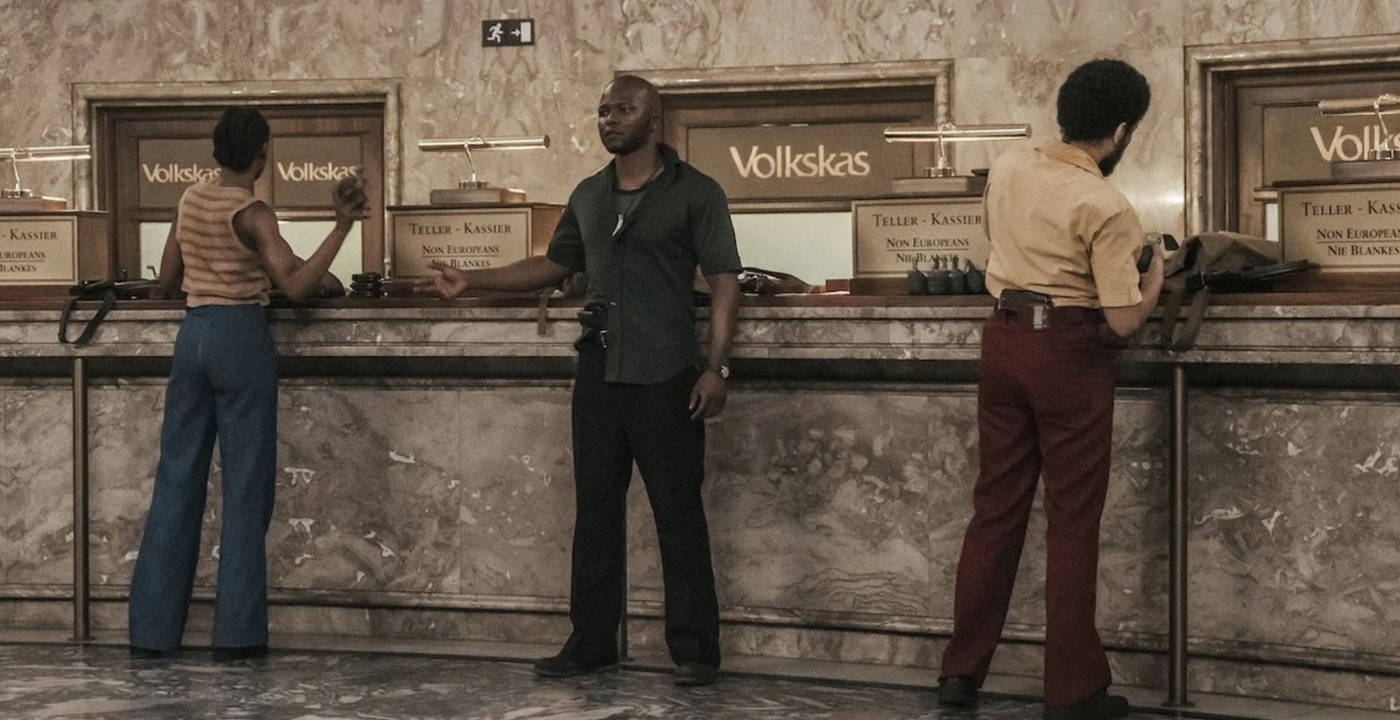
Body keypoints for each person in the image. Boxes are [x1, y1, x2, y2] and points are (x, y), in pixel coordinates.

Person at [418, 74, 742, 687]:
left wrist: (717, 366)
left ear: (654, 118)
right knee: (594, 514)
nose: (609, 119)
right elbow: (554, 264)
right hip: (598, 372)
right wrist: (473, 278)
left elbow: (725, 280)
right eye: (602, 110)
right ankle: (591, 642)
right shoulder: (589, 195)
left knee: (678, 515)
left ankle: (695, 650)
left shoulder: (696, 192)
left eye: (624, 109)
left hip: (667, 375)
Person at [936, 59, 1163, 720]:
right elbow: (1122, 321)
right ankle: (1073, 690)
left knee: (995, 510)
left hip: (1003, 342)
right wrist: (1154, 278)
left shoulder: (1008, 168)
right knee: (1071, 522)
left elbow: (997, 244)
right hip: (1067, 354)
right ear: (1120, 132)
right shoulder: (1106, 205)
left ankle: (960, 672)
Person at [128, 106, 365, 661]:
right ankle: (237, 635)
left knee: (175, 482)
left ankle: (152, 632)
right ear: (262, 155)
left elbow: (167, 279)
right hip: (240, 339)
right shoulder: (253, 213)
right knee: (245, 489)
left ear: (216, 150)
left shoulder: (189, 199)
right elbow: (298, 286)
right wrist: (341, 227)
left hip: (193, 338)